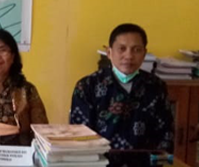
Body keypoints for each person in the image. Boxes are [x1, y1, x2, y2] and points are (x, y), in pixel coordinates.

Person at [70, 23, 174, 152]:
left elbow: (166, 135)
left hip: (144, 163)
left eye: (136, 50)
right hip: (99, 162)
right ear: (109, 52)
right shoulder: (87, 86)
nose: (129, 56)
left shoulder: (156, 86)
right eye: (122, 49)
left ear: (144, 53)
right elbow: (80, 136)